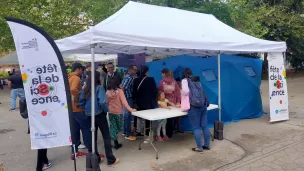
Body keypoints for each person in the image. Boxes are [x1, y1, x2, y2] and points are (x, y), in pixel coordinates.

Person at [79, 71, 120, 166]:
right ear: (98, 78)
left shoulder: (85, 89)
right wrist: (106, 110)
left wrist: (87, 109)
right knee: (106, 136)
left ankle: (96, 159)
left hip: (88, 116)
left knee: (93, 138)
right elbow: (102, 102)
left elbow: (80, 103)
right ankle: (110, 159)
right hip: (99, 115)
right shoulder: (99, 88)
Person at [19, 97, 52, 171]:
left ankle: (45, 161)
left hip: (38, 123)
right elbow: (24, 114)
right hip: (38, 123)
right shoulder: (32, 97)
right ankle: (39, 167)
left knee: (44, 143)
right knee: (42, 145)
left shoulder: (30, 95)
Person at [182, 68, 210, 152]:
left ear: (184, 74)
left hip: (194, 106)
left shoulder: (185, 80)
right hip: (203, 105)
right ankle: (207, 145)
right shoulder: (197, 79)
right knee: (204, 126)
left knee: (196, 128)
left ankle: (199, 147)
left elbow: (186, 91)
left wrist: (182, 93)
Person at [68, 62, 92, 159]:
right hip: (78, 108)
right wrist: (79, 98)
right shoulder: (76, 78)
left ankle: (74, 152)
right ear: (78, 69)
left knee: (74, 130)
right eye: (81, 69)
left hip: (71, 109)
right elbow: (73, 89)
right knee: (86, 128)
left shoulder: (69, 77)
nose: (82, 71)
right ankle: (91, 150)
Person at [107, 78, 137, 149]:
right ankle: (115, 141)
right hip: (118, 113)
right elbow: (124, 102)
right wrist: (131, 109)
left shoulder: (107, 92)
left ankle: (113, 139)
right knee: (118, 127)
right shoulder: (120, 91)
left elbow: (106, 102)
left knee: (113, 127)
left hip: (110, 112)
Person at [133, 65, 158, 136]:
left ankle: (139, 131)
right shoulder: (151, 79)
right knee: (148, 117)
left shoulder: (135, 80)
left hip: (139, 102)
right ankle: (147, 132)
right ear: (147, 72)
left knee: (139, 117)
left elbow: (134, 93)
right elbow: (155, 91)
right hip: (148, 103)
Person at [158, 68, 181, 137]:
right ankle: (169, 133)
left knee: (163, 119)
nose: (161, 75)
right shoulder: (174, 82)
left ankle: (162, 134)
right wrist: (178, 102)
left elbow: (159, 92)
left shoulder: (162, 82)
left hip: (164, 103)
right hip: (173, 103)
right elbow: (178, 93)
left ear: (164, 74)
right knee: (170, 119)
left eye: (162, 73)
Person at [121, 65, 138, 140]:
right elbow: (123, 88)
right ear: (130, 69)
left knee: (126, 116)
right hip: (128, 98)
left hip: (126, 98)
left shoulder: (127, 76)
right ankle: (128, 134)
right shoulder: (129, 78)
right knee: (128, 116)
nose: (136, 71)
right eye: (135, 69)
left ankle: (125, 131)